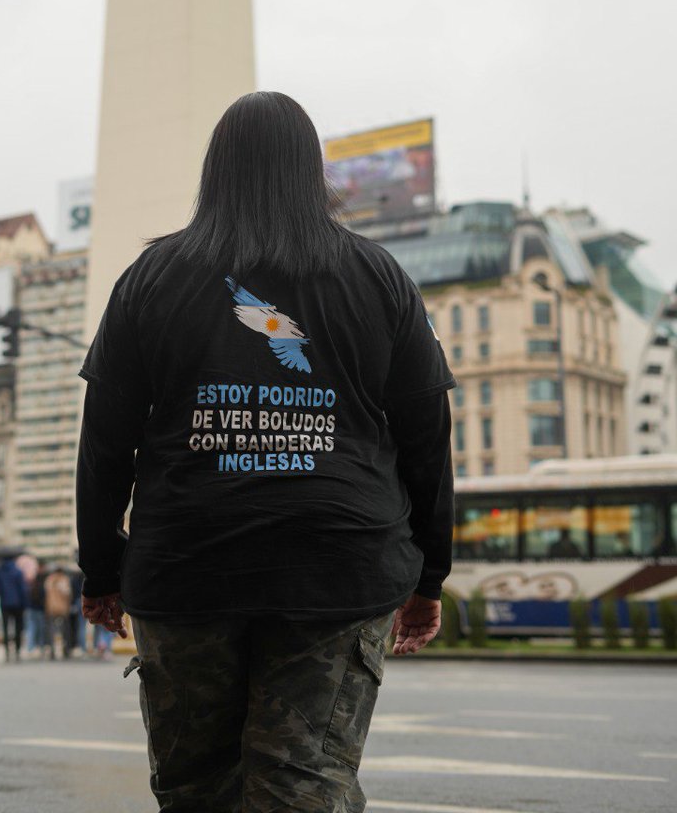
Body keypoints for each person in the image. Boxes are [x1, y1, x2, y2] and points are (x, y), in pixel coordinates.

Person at [76, 92, 456, 812]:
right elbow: (426, 438)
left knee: (196, 790)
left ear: (215, 171)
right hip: (338, 566)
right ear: (313, 171)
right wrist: (429, 575)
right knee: (304, 787)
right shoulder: (379, 277)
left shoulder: (150, 278)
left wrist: (101, 568)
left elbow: (104, 443)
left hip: (185, 566)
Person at [0, 557, 28, 662]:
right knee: (18, 627)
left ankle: (7, 650)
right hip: (18, 604)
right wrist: (25, 603)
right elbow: (23, 589)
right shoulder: (18, 572)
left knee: (5, 628)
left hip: (4, 603)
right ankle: (17, 649)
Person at [43, 565, 72, 659]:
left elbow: (45, 594)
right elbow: (68, 593)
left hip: (51, 607)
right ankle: (65, 649)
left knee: (51, 629)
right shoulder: (64, 579)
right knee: (64, 630)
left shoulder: (49, 580)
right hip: (63, 608)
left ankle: (52, 650)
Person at [26, 562, 47, 655]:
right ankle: (40, 647)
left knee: (32, 628)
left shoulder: (32, 581)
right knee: (41, 629)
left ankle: (31, 647)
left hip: (32, 607)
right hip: (40, 608)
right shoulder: (44, 580)